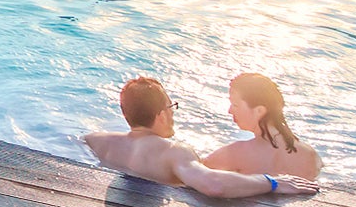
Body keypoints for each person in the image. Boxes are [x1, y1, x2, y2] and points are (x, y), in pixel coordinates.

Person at [83, 77, 318, 198]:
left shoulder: (97, 141)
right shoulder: (173, 152)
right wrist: (273, 182)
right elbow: (212, 184)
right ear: (162, 115)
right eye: (171, 107)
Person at [204, 74, 322, 180]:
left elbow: (194, 173)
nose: (229, 111)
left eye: (235, 105)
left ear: (259, 111)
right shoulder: (311, 156)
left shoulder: (236, 153)